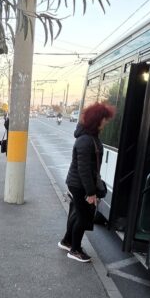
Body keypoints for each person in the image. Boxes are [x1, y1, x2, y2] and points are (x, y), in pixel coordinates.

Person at [59, 102, 115, 263]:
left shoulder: (89, 137)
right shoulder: (85, 140)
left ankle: (67, 241)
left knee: (77, 213)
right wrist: (90, 193)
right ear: (97, 120)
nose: (106, 122)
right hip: (79, 185)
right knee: (83, 217)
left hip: (79, 183)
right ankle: (75, 250)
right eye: (105, 119)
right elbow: (84, 170)